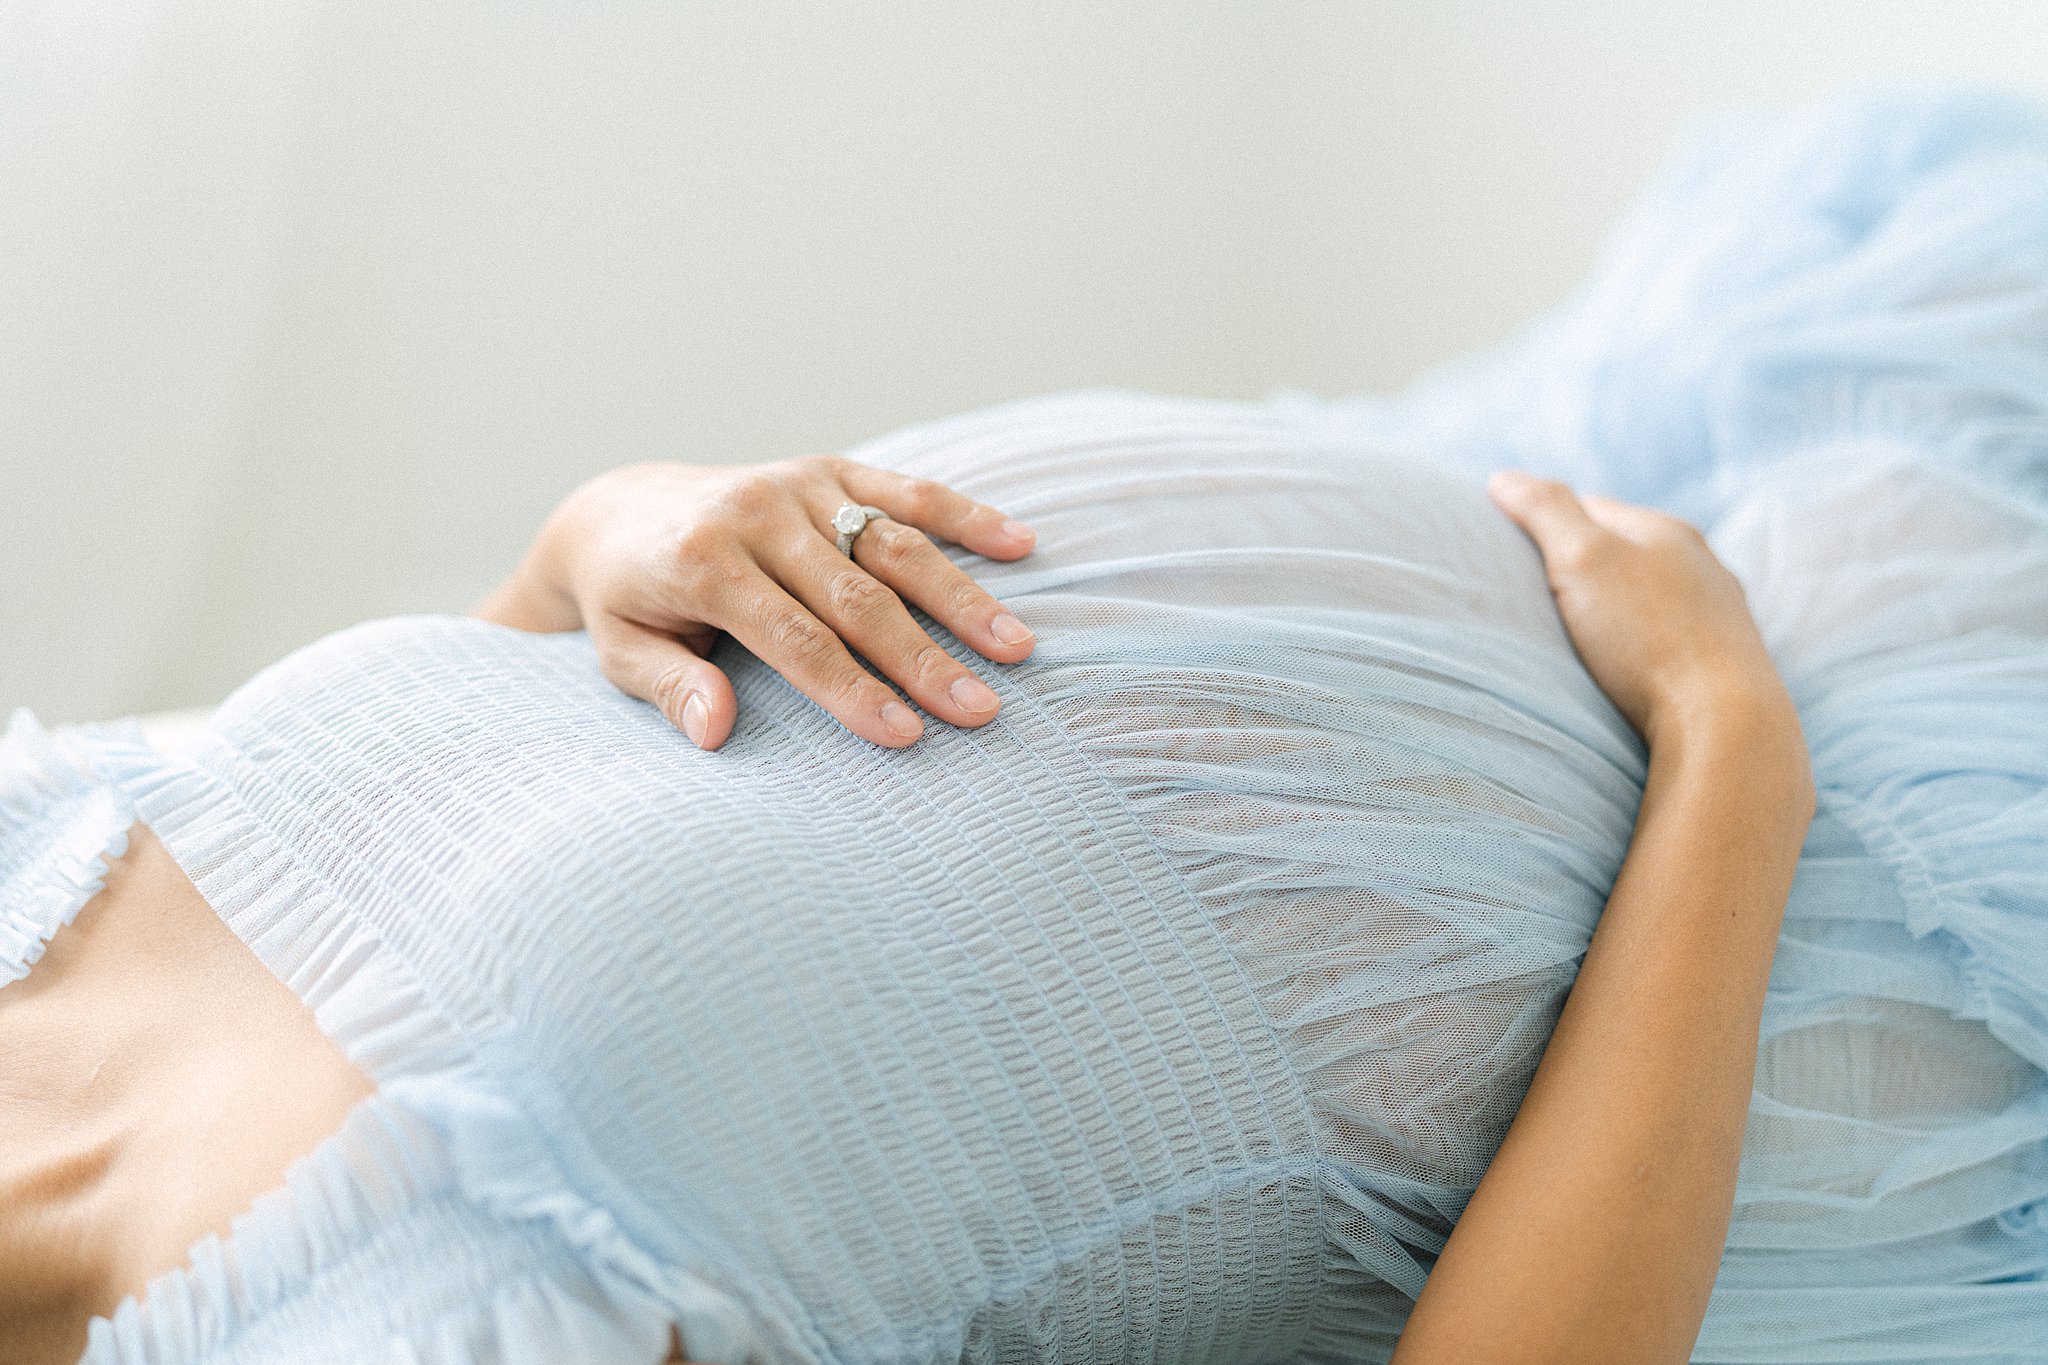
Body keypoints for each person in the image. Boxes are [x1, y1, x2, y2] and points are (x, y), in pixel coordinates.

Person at [3, 84, 2045, 1365]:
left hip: (1544, 492)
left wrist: (598, 542)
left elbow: (492, 775)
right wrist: (1721, 755)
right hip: (1797, 920)